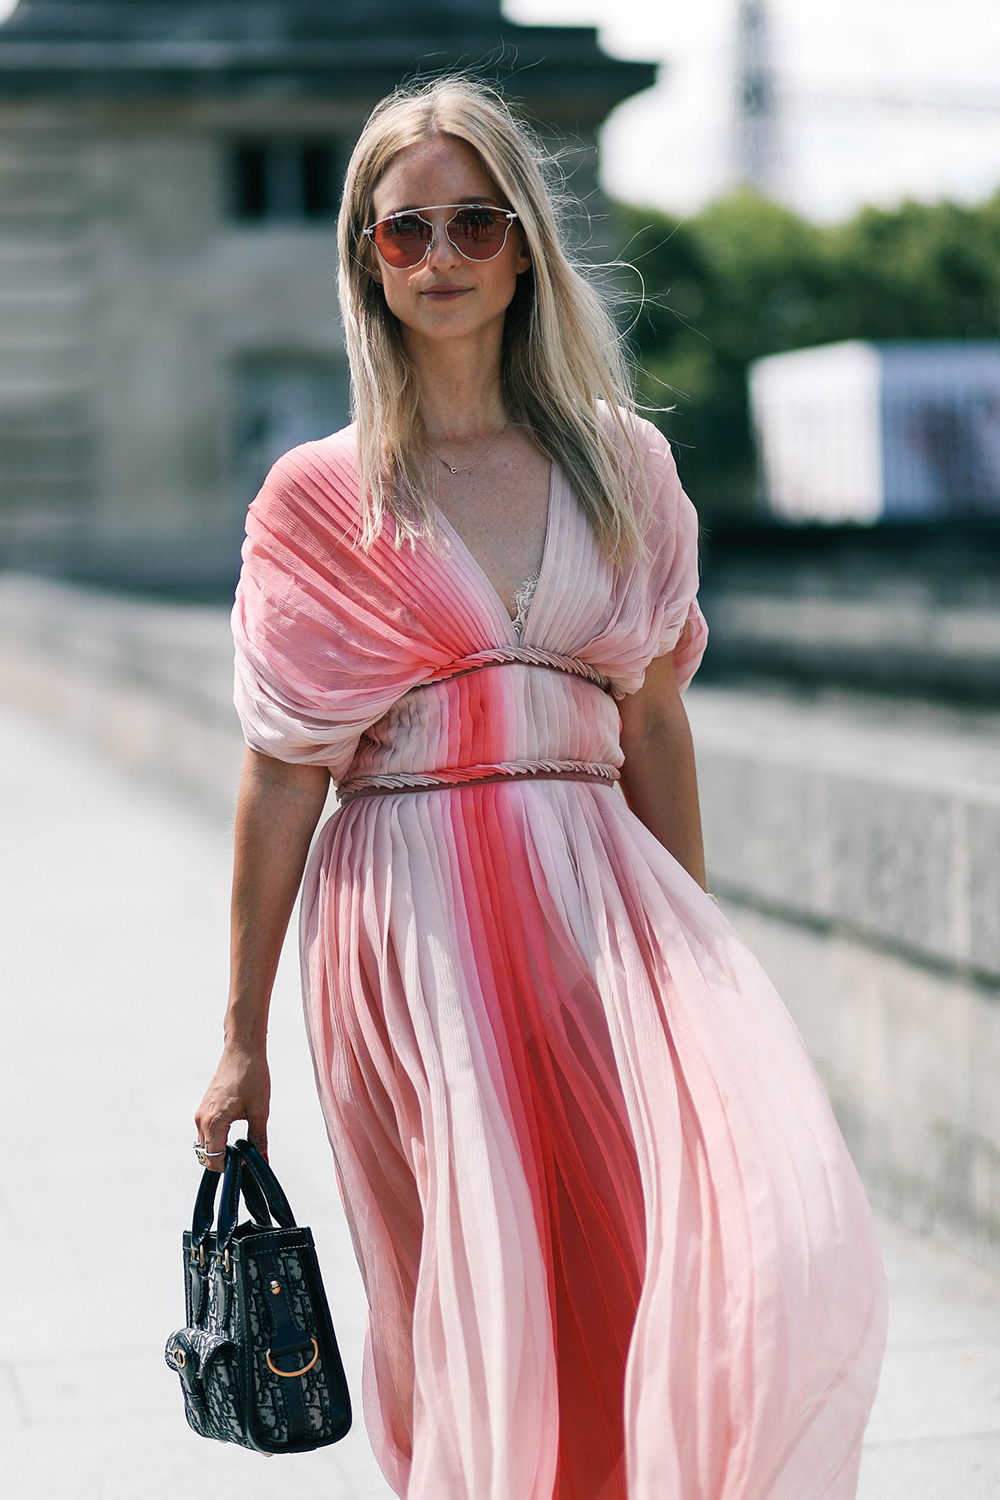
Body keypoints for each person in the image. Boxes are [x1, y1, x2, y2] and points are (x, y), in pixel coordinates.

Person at [195, 76, 886, 1500]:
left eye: (473, 223)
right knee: (472, 1289)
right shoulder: (319, 499)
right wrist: (239, 1038)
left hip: (600, 904)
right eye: (404, 234)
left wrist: (691, 959)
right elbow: (279, 781)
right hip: (410, 929)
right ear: (365, 262)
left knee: (674, 1247)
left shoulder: (627, 466)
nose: (440, 257)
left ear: (522, 247)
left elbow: (657, 729)